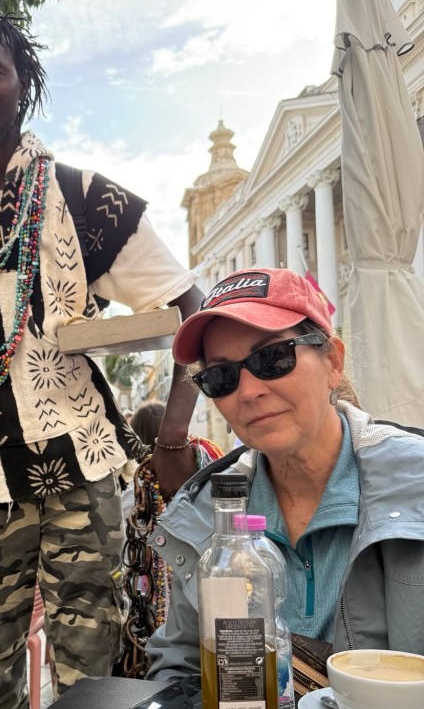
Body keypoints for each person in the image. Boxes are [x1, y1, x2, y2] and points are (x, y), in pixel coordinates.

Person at [0, 6, 203, 709]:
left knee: (88, 669)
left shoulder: (83, 197)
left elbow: (190, 304)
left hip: (78, 468)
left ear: (22, 85)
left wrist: (174, 437)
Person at [146, 267, 424, 682]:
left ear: (333, 362)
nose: (249, 391)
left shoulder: (415, 481)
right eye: (221, 376)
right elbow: (181, 665)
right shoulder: (205, 514)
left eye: (273, 358)